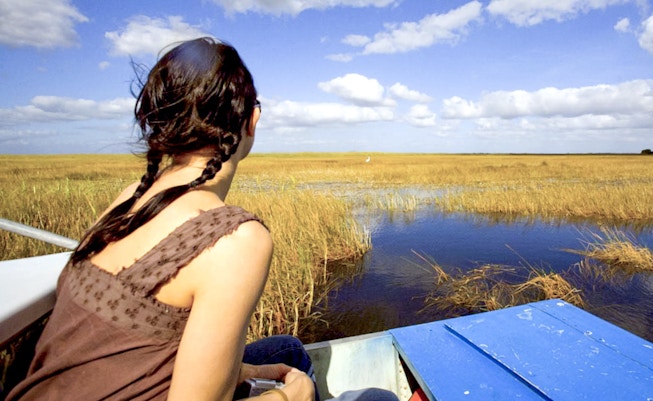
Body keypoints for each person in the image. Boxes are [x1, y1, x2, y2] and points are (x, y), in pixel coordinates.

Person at [6, 37, 397, 401]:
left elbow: (126, 345)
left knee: (289, 350)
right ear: (252, 121)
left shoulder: (132, 196)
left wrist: (242, 371)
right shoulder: (236, 241)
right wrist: (290, 395)